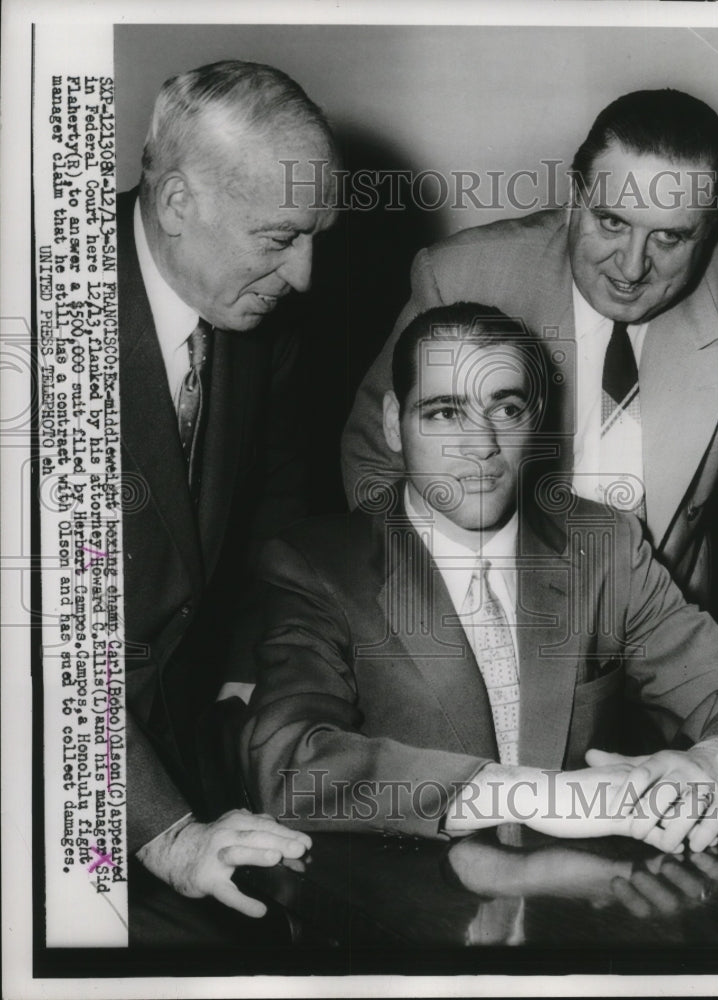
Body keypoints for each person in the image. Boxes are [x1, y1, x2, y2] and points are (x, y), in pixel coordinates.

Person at [240, 303, 718, 854]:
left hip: (584, 911)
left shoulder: (604, 543)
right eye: (445, 412)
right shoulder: (316, 564)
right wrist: (541, 796)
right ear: (392, 425)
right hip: (405, 915)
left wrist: (717, 767)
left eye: (507, 408)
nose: (481, 444)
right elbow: (288, 765)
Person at [341, 89, 718, 609]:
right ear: (574, 197)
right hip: (489, 604)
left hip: (665, 614)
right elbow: (375, 457)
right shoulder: (461, 275)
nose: (632, 268)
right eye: (612, 221)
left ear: (708, 231)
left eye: (670, 239)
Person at [117, 60, 337, 939]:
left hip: (176, 738)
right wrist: (168, 834)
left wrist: (253, 674)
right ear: (177, 204)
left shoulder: (249, 314)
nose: (306, 275)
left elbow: (276, 515)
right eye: (280, 237)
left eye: (316, 235)